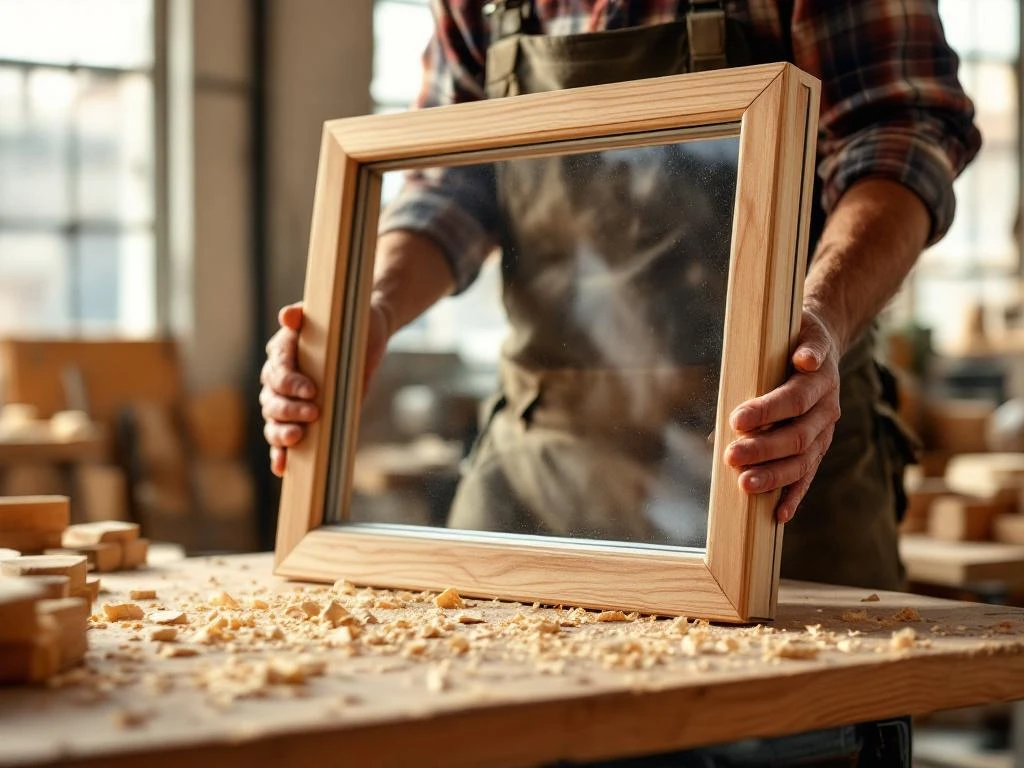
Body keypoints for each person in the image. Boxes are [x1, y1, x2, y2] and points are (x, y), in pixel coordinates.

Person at [261, 3, 979, 762]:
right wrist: (369, 310)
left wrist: (817, 320)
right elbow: (450, 182)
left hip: (771, 459)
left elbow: (898, 138)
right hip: (542, 482)